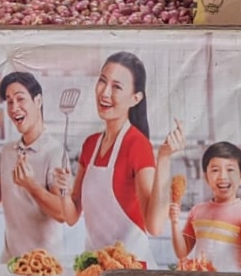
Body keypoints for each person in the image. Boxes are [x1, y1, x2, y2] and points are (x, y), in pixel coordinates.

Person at [55, 52, 181, 254]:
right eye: (102, 81)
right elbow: (71, 217)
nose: (105, 93)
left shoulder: (137, 145)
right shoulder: (90, 145)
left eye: (116, 87)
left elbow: (155, 226)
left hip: (130, 265)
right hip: (93, 264)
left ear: (135, 98)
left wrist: (164, 158)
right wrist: (62, 190)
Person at [0, 71, 68, 264]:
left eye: (20, 99)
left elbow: (62, 213)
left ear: (38, 101)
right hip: (10, 262)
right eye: (9, 101)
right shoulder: (7, 152)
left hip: (45, 265)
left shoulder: (55, 152)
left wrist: (31, 186)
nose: (14, 108)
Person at [169, 142, 241, 272]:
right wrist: (175, 222)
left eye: (230, 170)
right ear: (206, 177)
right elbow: (182, 253)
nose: (222, 176)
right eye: (215, 170)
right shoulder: (197, 211)